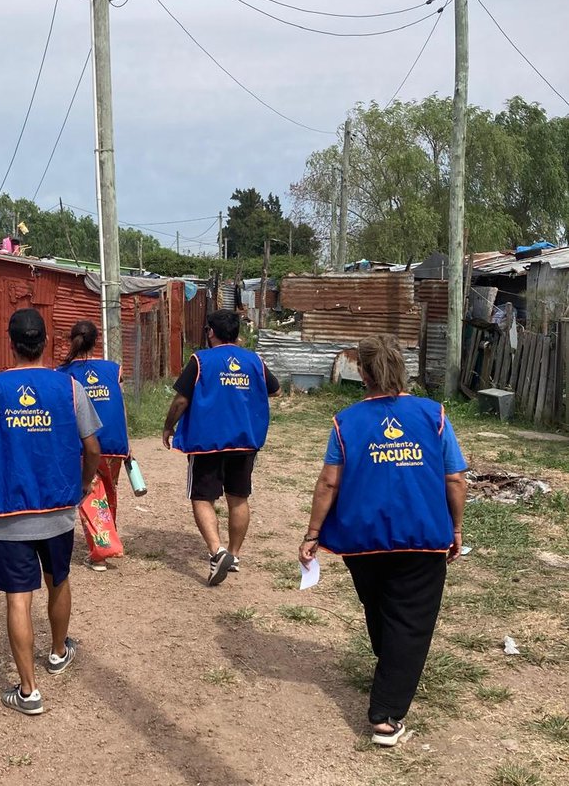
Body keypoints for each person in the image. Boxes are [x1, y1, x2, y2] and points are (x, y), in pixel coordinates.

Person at [298, 334, 468, 747]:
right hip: (422, 535)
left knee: (380, 606)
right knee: (410, 622)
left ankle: (390, 667)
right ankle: (386, 717)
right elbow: (455, 478)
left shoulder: (346, 421)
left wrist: (313, 533)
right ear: (401, 369)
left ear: (363, 372)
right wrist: (457, 528)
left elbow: (329, 482)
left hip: (363, 540)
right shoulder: (434, 416)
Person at [0, 309, 101, 716]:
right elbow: (92, 448)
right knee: (58, 581)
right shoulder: (69, 388)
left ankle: (28, 691)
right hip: (57, 508)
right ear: (46, 342)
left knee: (18, 599)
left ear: (11, 342)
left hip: (9, 513)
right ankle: (57, 652)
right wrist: (84, 483)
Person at [162, 309, 280, 586]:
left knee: (202, 497)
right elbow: (274, 389)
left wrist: (169, 426)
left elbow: (181, 401)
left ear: (211, 332)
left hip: (207, 443)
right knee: (238, 497)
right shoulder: (254, 360)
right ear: (237, 333)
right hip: (244, 440)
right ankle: (234, 555)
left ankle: (218, 551)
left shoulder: (200, 360)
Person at [60, 320, 129, 571]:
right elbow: (120, 406)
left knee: (89, 492)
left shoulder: (63, 374)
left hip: (85, 444)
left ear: (72, 340)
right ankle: (108, 538)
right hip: (115, 441)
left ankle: (100, 551)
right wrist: (127, 443)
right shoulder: (113, 369)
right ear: (96, 341)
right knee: (110, 492)